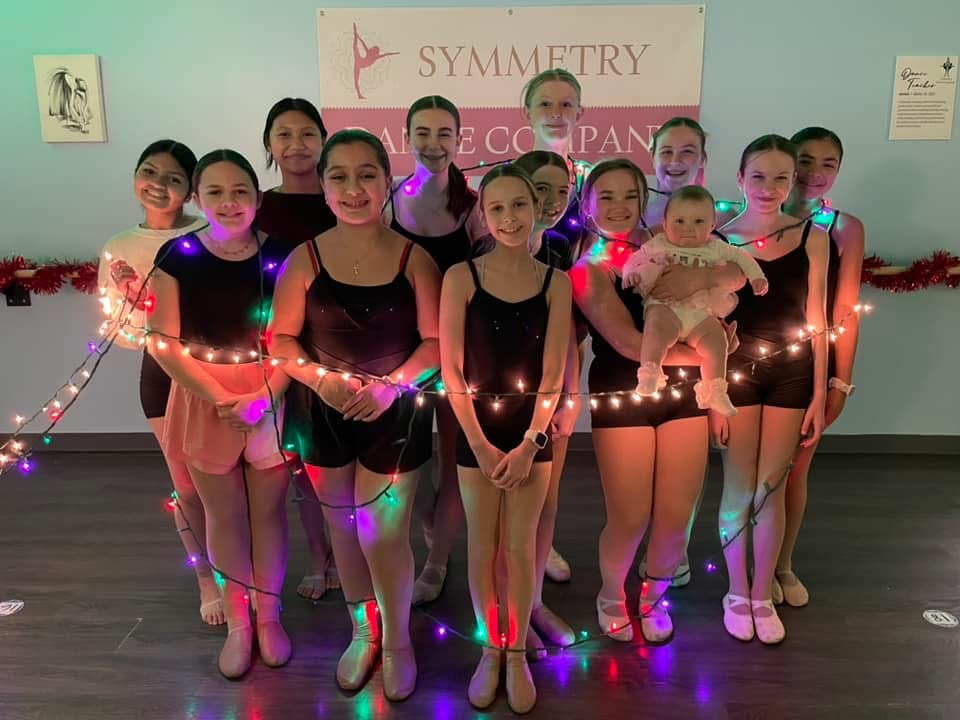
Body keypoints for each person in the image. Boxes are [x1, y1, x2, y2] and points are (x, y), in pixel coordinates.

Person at [271, 130, 440, 701]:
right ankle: (362, 630)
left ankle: (398, 641)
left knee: (383, 532)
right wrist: (320, 379)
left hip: (395, 414)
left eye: (366, 174)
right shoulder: (305, 258)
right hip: (323, 413)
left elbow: (436, 344)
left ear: (386, 182)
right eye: (338, 176)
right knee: (343, 527)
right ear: (323, 186)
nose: (353, 187)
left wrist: (394, 387)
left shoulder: (416, 259)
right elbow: (282, 340)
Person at [569, 159, 744, 644]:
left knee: (675, 514)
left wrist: (703, 290)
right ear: (587, 204)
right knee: (630, 516)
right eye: (607, 196)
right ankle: (611, 595)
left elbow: (732, 272)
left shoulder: (671, 249)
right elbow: (629, 342)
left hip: (683, 398)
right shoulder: (587, 270)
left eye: (630, 196)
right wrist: (716, 352)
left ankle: (652, 596)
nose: (620, 206)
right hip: (624, 394)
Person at [147, 150, 295, 678]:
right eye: (215, 192)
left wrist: (266, 397)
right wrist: (218, 397)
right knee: (222, 515)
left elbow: (296, 340)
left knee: (269, 514)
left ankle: (270, 615)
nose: (229, 203)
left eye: (240, 191)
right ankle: (239, 622)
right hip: (206, 398)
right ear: (198, 198)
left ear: (257, 196)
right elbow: (162, 341)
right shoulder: (178, 256)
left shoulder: (283, 255)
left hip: (272, 397)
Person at [440, 163, 571, 713]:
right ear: (483, 214)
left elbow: (553, 374)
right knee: (482, 545)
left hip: (528, 438)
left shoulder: (555, 282)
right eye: (497, 208)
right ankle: (489, 647)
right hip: (477, 434)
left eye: (520, 205)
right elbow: (451, 367)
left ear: (536, 208)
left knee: (520, 550)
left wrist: (530, 443)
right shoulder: (461, 278)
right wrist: (480, 442)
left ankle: (516, 651)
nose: (510, 217)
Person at [712, 134, 829, 644]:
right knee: (738, 488)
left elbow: (819, 318)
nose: (768, 187)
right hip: (737, 373)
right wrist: (712, 391)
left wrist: (822, 394)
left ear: (793, 182)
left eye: (780, 177)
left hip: (793, 373)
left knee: (770, 489)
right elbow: (704, 320)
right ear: (740, 179)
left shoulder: (813, 237)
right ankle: (736, 591)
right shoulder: (718, 238)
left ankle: (762, 593)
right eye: (758, 176)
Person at [98, 140, 217, 624]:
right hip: (161, 376)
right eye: (149, 172)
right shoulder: (119, 248)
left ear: (190, 190)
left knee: (228, 486)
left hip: (218, 370)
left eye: (173, 178)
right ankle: (207, 580)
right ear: (134, 177)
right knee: (186, 486)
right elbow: (115, 328)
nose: (159, 185)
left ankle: (242, 575)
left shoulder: (212, 232)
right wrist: (153, 327)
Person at [382, 95, 485, 606]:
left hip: (457, 354)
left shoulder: (473, 208)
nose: (433, 144)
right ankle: (417, 527)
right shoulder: (386, 201)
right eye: (422, 132)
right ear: (406, 138)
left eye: (445, 133)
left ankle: (438, 559)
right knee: (409, 459)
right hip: (399, 354)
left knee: (451, 459)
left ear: (459, 140)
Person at [777, 127, 865, 607]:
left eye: (827, 164)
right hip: (756, 364)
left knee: (795, 471)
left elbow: (846, 312)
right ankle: (750, 569)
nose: (813, 173)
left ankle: (783, 562)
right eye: (804, 161)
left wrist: (838, 384)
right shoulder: (756, 218)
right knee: (750, 478)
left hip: (812, 363)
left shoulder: (844, 228)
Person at [257, 97, 339, 602]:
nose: (296, 144)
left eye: (307, 133)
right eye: (284, 134)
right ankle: (319, 556)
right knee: (300, 462)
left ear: (323, 139)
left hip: (344, 349)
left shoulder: (344, 198)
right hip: (282, 351)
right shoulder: (258, 206)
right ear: (269, 144)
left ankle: (364, 554)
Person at [521, 67, 592, 582]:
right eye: (546, 103)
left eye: (567, 104)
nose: (556, 113)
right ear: (527, 112)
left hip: (564, 339)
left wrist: (570, 383)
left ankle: (542, 547)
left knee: (550, 463)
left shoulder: (587, 187)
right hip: (505, 355)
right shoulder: (509, 189)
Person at [623, 185, 768, 415]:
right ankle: (650, 373)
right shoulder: (659, 243)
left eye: (699, 222)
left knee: (717, 341)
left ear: (712, 225)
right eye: (679, 221)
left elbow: (742, 257)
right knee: (656, 330)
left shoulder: (716, 247)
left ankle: (715, 391)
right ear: (665, 221)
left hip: (700, 313)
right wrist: (630, 273)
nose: (688, 229)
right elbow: (635, 258)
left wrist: (757, 277)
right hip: (665, 308)